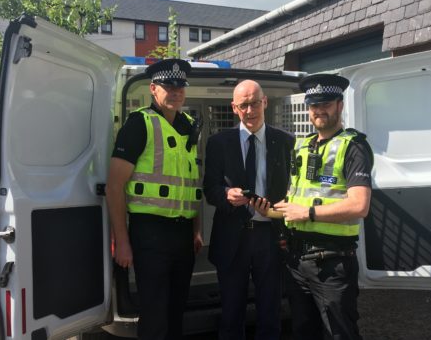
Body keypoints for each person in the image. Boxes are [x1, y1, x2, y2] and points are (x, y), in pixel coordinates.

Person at [255, 74, 373, 340]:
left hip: (332, 263)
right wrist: (269, 211)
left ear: (339, 105)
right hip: (297, 261)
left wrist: (307, 213)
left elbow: (360, 205)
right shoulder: (302, 145)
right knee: (303, 331)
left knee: (340, 333)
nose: (319, 110)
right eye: (313, 105)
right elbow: (295, 202)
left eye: (326, 103)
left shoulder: (354, 147)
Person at [105, 58, 204, 340]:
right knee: (154, 314)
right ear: (153, 89)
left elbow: (190, 183)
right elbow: (114, 187)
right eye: (168, 86)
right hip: (150, 234)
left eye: (180, 86)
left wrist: (196, 230)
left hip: (183, 235)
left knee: (176, 311)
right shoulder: (140, 124)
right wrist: (122, 242)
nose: (175, 92)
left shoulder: (188, 126)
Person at [203, 80, 294, 340]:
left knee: (270, 311)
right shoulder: (218, 143)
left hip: (271, 237)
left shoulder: (285, 142)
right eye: (243, 105)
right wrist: (225, 194)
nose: (250, 110)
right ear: (234, 108)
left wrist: (281, 206)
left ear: (264, 102)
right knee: (231, 314)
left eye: (254, 103)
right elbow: (209, 188)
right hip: (232, 238)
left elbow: (295, 188)